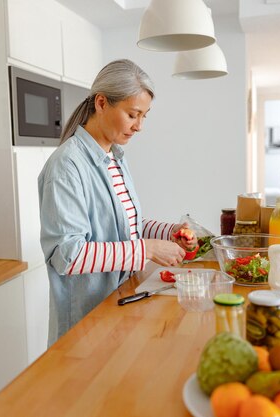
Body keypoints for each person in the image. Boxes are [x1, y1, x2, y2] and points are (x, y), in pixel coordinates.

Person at [38, 59, 197, 345]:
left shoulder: (114, 157)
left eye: (144, 116)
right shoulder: (67, 165)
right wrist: (146, 249)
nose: (139, 127)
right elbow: (68, 255)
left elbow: (124, 225)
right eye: (133, 114)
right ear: (101, 103)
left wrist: (168, 232)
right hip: (85, 324)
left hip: (118, 304)